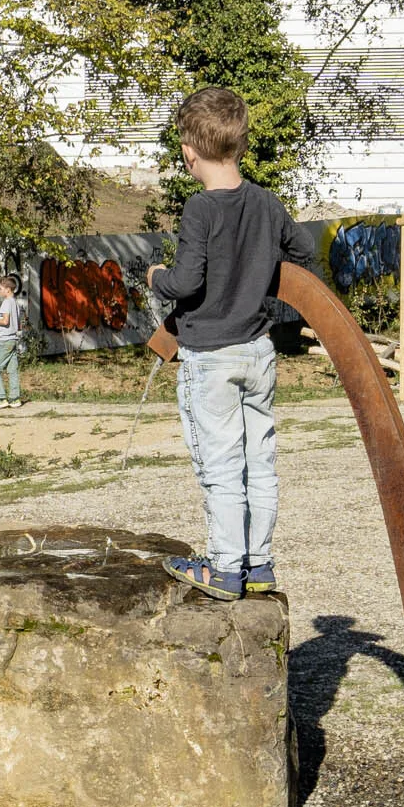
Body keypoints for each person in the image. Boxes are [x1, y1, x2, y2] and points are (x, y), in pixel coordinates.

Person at [148, 85, 303, 601]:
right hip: (258, 352)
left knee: (220, 467)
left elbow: (187, 282)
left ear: (189, 152)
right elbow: (302, 253)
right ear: (238, 145)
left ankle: (223, 567)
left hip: (211, 358)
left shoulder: (200, 208)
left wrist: (157, 278)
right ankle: (258, 564)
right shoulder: (265, 203)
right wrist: (260, 285)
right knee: (259, 461)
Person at [0, 269, 32, 405]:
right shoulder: (15, 303)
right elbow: (16, 325)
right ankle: (15, 398)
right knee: (12, 370)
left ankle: (1, 398)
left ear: (8, 289)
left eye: (0, 288)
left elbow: (5, 321)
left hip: (4, 341)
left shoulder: (6, 302)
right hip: (13, 339)